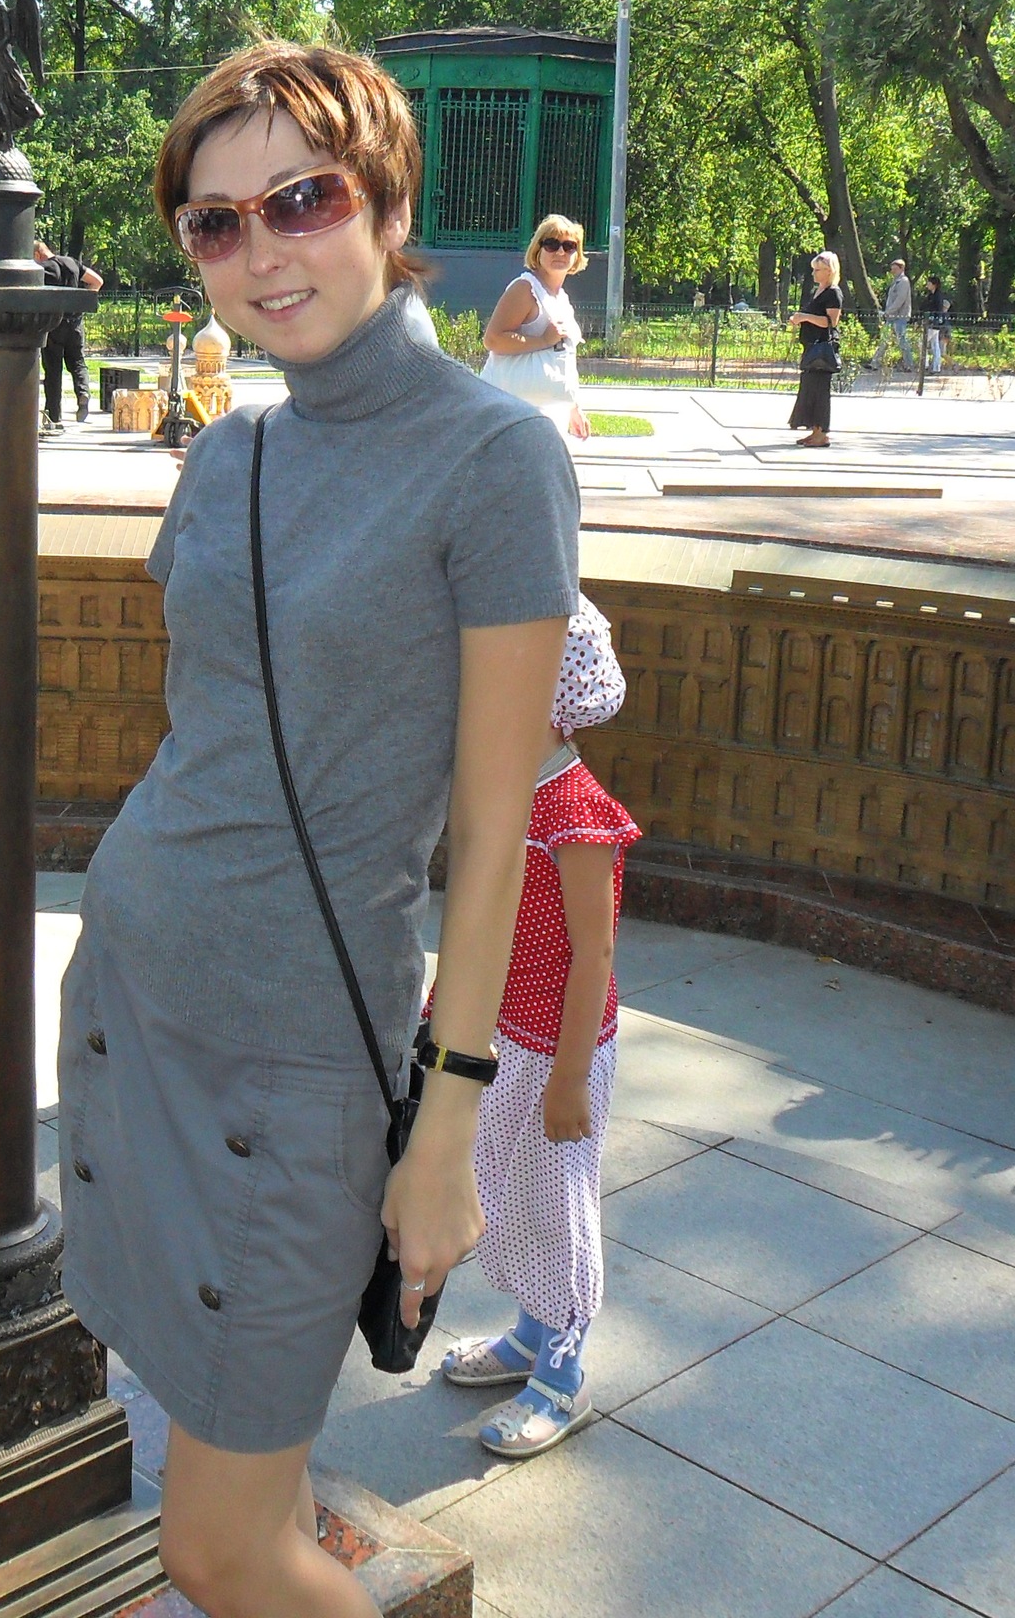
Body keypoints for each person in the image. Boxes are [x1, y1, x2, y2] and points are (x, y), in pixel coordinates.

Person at [59, 40, 576, 1618]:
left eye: (302, 199)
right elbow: (207, 729)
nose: (261, 250)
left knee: (218, 1547)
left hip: (295, 1065)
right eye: (216, 223)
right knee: (237, 1485)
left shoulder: (497, 459)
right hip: (134, 1001)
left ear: (387, 204)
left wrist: (447, 1127)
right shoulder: (231, 451)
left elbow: (495, 829)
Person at [436, 596, 636, 1460]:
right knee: (510, 1191)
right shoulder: (506, 795)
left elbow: (594, 952)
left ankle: (563, 1371)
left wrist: (568, 1078)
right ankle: (529, 1333)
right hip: (507, 1038)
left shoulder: (577, 810)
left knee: (556, 1203)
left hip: (560, 1049)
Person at [479, 215, 592, 443]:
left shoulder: (561, 298)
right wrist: (543, 341)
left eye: (569, 246)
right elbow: (493, 339)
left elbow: (564, 355)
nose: (560, 252)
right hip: (511, 412)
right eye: (551, 244)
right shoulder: (525, 289)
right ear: (537, 250)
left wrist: (573, 407)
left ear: (577, 254)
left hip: (549, 412)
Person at [33, 238, 103, 433]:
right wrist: (80, 304)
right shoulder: (72, 263)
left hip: (53, 324)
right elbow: (97, 282)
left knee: (53, 371)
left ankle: (54, 416)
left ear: (38, 254)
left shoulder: (42, 269)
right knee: (78, 362)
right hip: (75, 323)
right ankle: (83, 392)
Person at [786, 250, 843, 448]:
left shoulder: (833, 292)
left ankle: (822, 434)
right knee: (810, 389)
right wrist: (799, 318)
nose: (814, 273)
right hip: (811, 347)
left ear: (829, 271)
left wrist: (805, 317)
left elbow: (831, 321)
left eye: (817, 270)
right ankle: (815, 431)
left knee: (820, 391)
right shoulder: (818, 291)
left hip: (822, 350)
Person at [874, 258, 914, 372]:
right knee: (884, 340)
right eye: (892, 269)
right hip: (892, 317)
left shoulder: (903, 281)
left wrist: (888, 311)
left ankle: (909, 365)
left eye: (895, 269)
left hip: (900, 317)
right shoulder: (896, 281)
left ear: (902, 269)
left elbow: (900, 299)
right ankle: (875, 363)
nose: (892, 271)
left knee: (902, 341)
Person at [923, 275, 952, 373]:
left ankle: (925, 364)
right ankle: (936, 367)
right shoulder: (931, 295)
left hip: (934, 323)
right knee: (934, 344)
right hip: (933, 322)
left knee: (922, 343)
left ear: (934, 284)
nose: (927, 285)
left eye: (929, 283)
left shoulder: (937, 296)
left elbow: (938, 310)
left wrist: (934, 319)